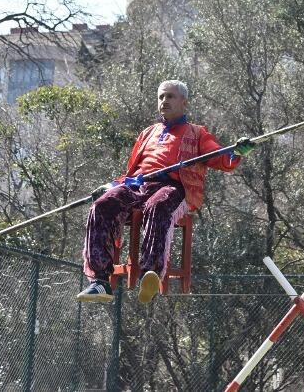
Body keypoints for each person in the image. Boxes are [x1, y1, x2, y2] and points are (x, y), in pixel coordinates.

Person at [77, 79, 254, 304]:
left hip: (174, 187)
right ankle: (100, 281)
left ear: (184, 102)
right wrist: (110, 186)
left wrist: (236, 153)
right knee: (103, 204)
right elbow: (130, 171)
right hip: (137, 186)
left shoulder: (198, 133)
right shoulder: (147, 133)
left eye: (170, 96)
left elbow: (220, 157)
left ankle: (150, 272)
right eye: (161, 97)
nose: (164, 101)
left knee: (158, 205)